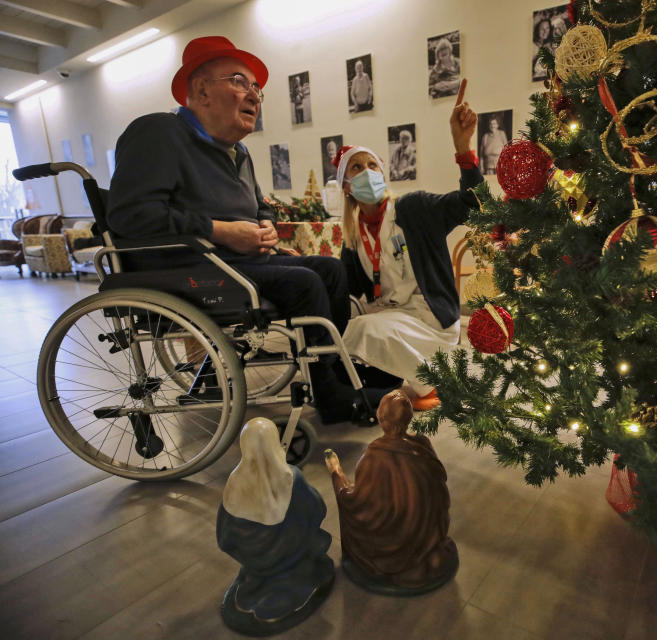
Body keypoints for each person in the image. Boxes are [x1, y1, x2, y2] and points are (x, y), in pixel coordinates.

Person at [106, 36, 358, 423]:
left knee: (333, 269)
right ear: (201, 90)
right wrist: (220, 231)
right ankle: (330, 395)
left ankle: (339, 377)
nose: (255, 95)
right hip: (186, 268)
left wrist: (266, 229)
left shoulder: (239, 153)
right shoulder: (158, 133)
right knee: (305, 282)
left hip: (233, 263)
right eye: (240, 81)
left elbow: (259, 207)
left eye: (257, 88)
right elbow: (130, 215)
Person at [335, 79, 480, 411]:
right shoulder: (353, 237)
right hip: (394, 321)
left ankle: (438, 382)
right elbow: (348, 293)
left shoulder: (413, 209)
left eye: (372, 166)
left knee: (361, 331)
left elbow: (473, 204)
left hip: (430, 319)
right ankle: (422, 380)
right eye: (356, 168)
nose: (366, 173)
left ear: (383, 175)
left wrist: (463, 147)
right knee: (351, 328)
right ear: (346, 186)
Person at [324, 391, 457, 593]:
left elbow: (358, 503)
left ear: (381, 418)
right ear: (410, 417)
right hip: (428, 532)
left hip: (392, 540)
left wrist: (337, 473)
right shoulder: (422, 444)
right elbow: (438, 487)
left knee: (353, 515)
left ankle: (399, 561)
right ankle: (425, 554)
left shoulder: (373, 457)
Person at [218, 418, 335, 632]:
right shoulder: (291, 477)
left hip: (251, 557)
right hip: (287, 553)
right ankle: (282, 589)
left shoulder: (234, 481)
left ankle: (255, 585)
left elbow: (224, 535)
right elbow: (317, 509)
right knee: (312, 541)